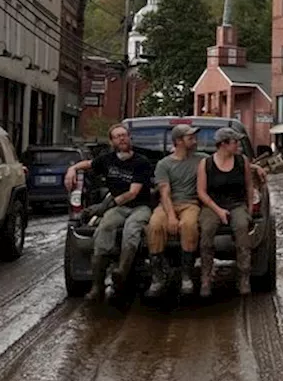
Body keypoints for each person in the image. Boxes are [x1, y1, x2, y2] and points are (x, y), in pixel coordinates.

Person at [63, 124, 154, 300]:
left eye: (124, 135)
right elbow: (88, 164)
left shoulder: (141, 162)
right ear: (112, 141)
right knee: (104, 228)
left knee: (131, 230)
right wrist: (72, 169)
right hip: (118, 208)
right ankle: (97, 286)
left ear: (129, 138)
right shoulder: (107, 159)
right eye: (118, 136)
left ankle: (121, 272)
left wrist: (102, 207)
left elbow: (133, 193)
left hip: (139, 207)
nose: (122, 138)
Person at [143, 124, 205, 297]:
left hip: (190, 203)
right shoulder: (164, 164)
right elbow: (164, 192)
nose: (194, 140)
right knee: (154, 225)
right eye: (190, 137)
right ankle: (157, 276)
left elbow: (225, 161)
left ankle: (186, 276)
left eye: (194, 137)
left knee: (189, 225)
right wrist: (170, 216)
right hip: (167, 204)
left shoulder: (201, 159)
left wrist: (254, 167)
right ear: (179, 141)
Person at [197, 127, 254, 297]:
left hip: (236, 204)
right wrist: (218, 210)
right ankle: (206, 277)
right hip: (212, 204)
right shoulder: (206, 164)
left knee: (242, 227)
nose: (238, 145)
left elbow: (249, 186)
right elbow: (201, 191)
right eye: (235, 142)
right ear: (223, 144)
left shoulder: (242, 161)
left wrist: (249, 208)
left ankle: (244, 276)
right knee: (207, 230)